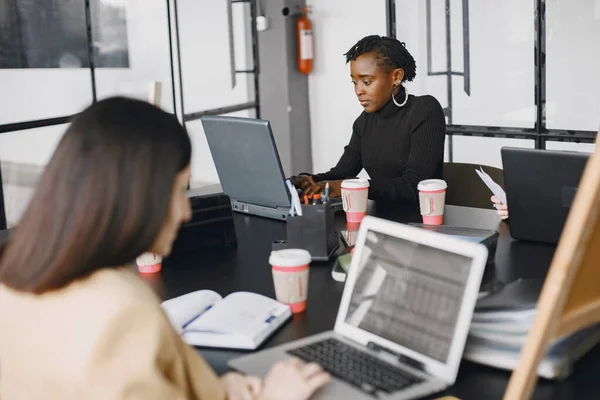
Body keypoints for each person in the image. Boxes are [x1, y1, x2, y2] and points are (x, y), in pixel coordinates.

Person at [0, 98, 329, 400]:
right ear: (138, 194)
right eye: (177, 190)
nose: (185, 212)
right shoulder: (120, 313)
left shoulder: (15, 284)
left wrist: (221, 391)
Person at [292, 35, 446, 211]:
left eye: (367, 81)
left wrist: (346, 186)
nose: (358, 90)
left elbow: (413, 185)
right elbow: (342, 173)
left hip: (421, 223)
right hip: (377, 221)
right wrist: (307, 180)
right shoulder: (364, 122)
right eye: (354, 82)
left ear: (396, 76)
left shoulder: (424, 110)